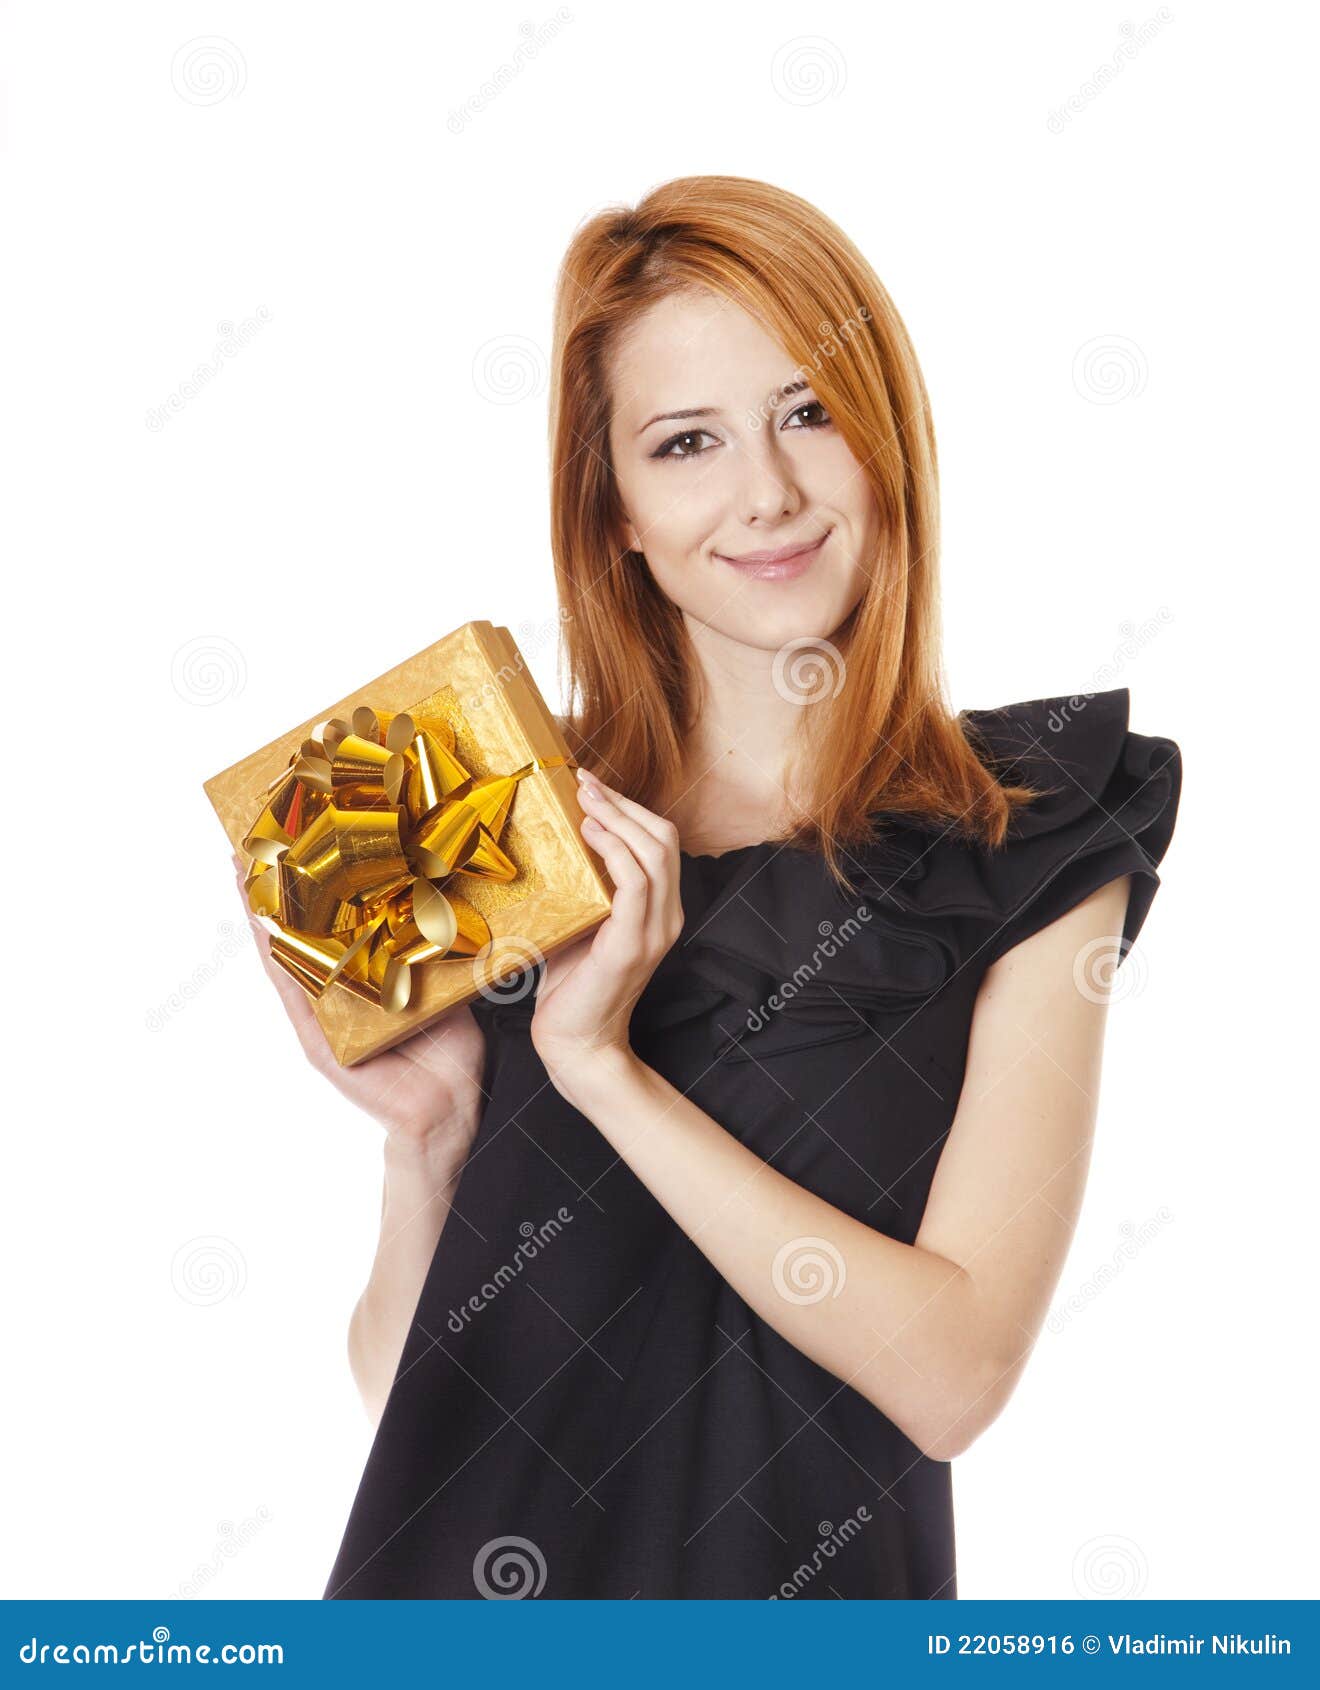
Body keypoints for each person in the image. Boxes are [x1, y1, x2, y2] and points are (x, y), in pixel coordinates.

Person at [240, 176, 1182, 1599]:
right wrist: (429, 1140)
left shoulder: (1030, 832)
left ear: (887, 439)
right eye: (686, 443)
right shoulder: (495, 818)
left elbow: (956, 1375)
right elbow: (412, 1399)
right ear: (613, 508)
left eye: (809, 412)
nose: (769, 493)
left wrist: (602, 1069)